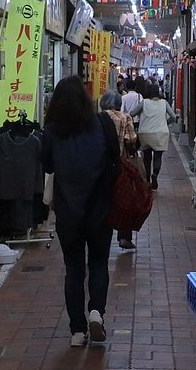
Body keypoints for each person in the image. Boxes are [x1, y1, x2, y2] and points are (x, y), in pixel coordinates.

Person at [41, 77, 119, 348]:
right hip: (100, 209)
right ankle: (96, 311)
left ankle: (77, 331)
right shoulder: (102, 123)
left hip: (68, 213)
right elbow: (115, 159)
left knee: (73, 270)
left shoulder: (52, 130)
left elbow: (47, 165)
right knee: (99, 262)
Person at [99, 91, 138, 252]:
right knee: (123, 199)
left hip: (101, 164)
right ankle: (124, 237)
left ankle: (101, 231)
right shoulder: (125, 117)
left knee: (103, 198)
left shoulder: (98, 118)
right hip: (121, 163)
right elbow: (131, 139)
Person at [137, 79, 174, 190]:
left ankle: (147, 178)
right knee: (158, 157)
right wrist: (165, 123)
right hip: (161, 133)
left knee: (147, 157)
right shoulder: (164, 103)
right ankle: (155, 175)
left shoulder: (144, 102)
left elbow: (132, 113)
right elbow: (173, 116)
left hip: (145, 133)